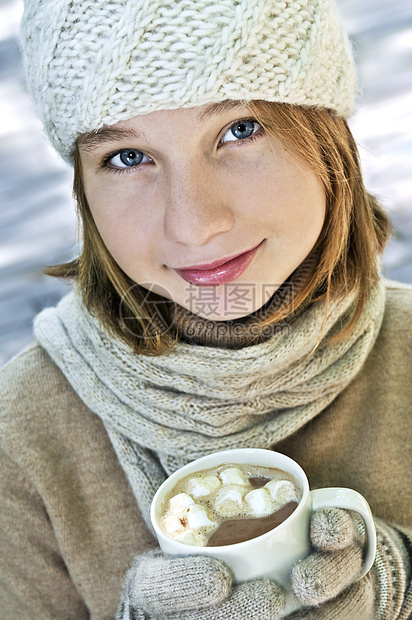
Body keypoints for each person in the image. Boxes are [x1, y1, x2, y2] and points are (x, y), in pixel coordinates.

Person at [0, 0, 411, 618]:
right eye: (127, 157)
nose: (191, 226)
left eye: (239, 130)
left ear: (328, 140)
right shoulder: (22, 435)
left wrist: (397, 589)